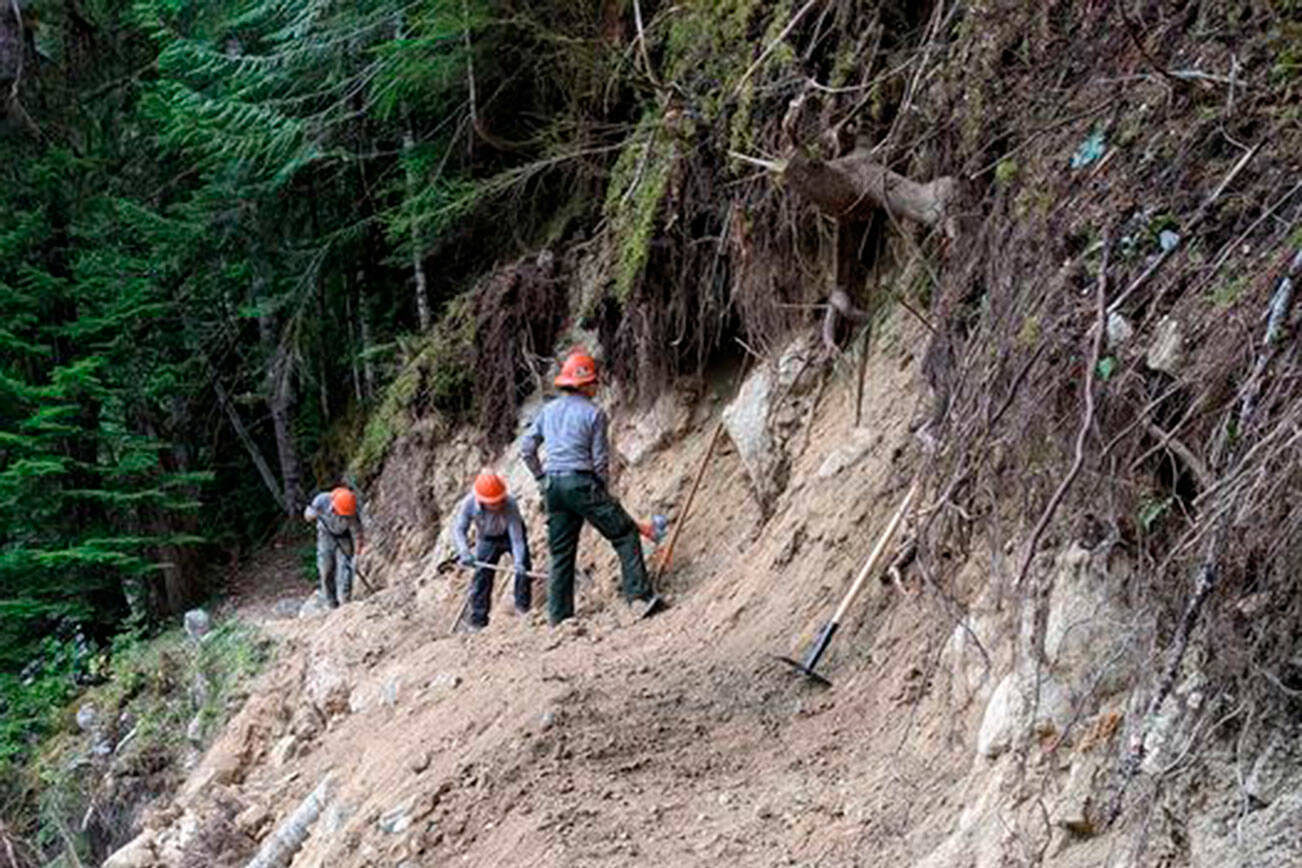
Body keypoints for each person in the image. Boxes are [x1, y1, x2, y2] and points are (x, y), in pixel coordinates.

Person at [521, 348, 663, 625]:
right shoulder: (594, 414)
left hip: (553, 486)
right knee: (623, 533)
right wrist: (602, 492)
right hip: (581, 482)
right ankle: (640, 599)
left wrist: (541, 479)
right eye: (594, 382)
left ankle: (559, 618)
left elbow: (527, 449)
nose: (597, 386)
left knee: (561, 553)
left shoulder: (548, 411)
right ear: (584, 384)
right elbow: (599, 461)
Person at [452, 471, 532, 630]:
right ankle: (478, 620)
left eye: (499, 500)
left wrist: (518, 562)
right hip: (487, 538)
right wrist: (464, 551)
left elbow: (517, 538)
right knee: (482, 576)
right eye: (493, 502)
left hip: (509, 535)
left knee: (523, 568)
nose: (497, 505)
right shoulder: (469, 504)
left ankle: (522, 608)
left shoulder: (510, 503)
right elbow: (459, 530)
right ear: (482, 500)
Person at [303, 486, 364, 608]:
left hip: (344, 537)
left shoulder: (352, 509)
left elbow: (357, 534)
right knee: (326, 568)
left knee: (346, 568)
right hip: (326, 535)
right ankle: (331, 603)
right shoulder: (321, 500)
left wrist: (357, 555)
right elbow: (307, 515)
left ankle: (346, 601)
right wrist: (312, 515)